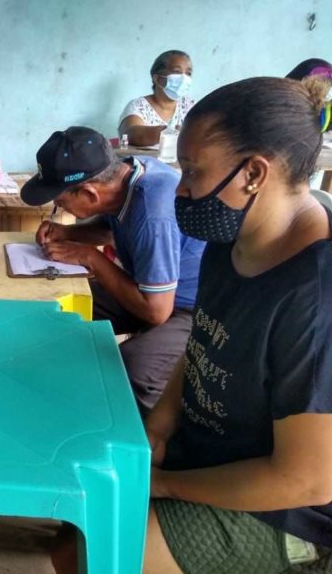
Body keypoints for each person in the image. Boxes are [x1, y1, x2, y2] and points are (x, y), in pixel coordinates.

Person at [53, 76, 332, 573]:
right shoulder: (236, 237)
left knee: (98, 553)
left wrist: (166, 485)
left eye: (192, 172)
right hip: (207, 453)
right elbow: (203, 340)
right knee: (78, 520)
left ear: (253, 174)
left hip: (285, 512)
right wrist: (158, 424)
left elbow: (306, 480)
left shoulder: (315, 295)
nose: (179, 189)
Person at [21, 127, 205, 413]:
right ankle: (52, 390)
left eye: (59, 201)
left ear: (90, 193)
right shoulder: (124, 176)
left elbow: (156, 312)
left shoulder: (153, 212)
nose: (56, 206)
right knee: (58, 309)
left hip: (192, 309)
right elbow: (113, 231)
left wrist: (90, 259)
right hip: (149, 289)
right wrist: (68, 233)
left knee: (134, 366)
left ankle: (150, 436)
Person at [119, 50, 194, 147]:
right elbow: (130, 135)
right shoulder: (138, 106)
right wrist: (170, 132)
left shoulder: (190, 106)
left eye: (188, 73)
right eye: (177, 72)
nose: (184, 78)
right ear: (157, 78)